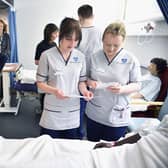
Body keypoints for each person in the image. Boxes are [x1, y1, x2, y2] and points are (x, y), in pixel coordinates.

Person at [0, 115, 168, 168]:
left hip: (129, 161)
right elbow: (146, 133)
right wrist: (115, 145)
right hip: (125, 149)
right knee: (48, 145)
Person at [36, 17, 93, 139]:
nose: (72, 44)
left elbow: (81, 82)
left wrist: (85, 91)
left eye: (76, 40)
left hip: (73, 110)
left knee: (70, 148)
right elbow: (40, 83)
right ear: (60, 35)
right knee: (49, 148)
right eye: (68, 39)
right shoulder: (47, 56)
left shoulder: (80, 57)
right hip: (52, 111)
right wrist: (54, 91)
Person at [85, 21, 142, 141]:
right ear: (102, 41)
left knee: (112, 151)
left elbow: (137, 84)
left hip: (117, 114)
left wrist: (123, 89)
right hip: (95, 112)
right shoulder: (94, 57)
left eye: (116, 46)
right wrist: (90, 83)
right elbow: (85, 78)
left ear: (123, 42)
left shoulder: (131, 59)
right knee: (91, 147)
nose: (110, 49)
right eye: (107, 44)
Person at [77, 4, 102, 139]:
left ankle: (80, 136)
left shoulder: (76, 32)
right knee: (95, 109)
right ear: (92, 15)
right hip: (95, 77)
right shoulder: (101, 32)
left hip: (79, 77)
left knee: (79, 109)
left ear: (79, 17)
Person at [34, 23, 59, 111]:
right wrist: (47, 62)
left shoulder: (55, 45)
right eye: (55, 33)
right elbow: (36, 61)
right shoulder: (40, 45)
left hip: (53, 73)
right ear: (49, 33)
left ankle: (51, 108)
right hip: (44, 72)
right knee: (43, 93)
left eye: (57, 33)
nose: (57, 35)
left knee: (52, 91)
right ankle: (43, 109)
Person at [0, 18, 11, 99]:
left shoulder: (6, 36)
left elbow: (8, 49)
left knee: (3, 56)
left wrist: (5, 55)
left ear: (3, 27)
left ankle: (2, 95)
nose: (0, 27)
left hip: (3, 57)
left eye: (1, 26)